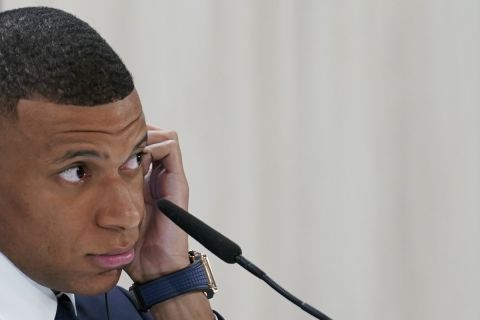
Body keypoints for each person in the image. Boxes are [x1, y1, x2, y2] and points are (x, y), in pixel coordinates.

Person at [0, 6, 222, 320]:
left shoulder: (123, 310)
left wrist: (169, 280)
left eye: (133, 159)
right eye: (77, 171)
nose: (130, 216)